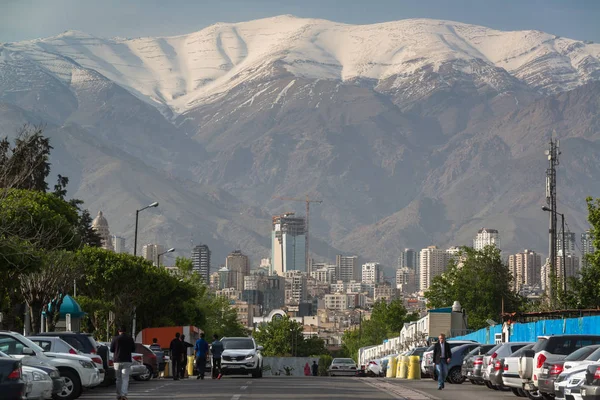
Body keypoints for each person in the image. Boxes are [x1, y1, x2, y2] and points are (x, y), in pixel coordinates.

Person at [110, 326, 136, 400]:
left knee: (118, 378)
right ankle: (123, 394)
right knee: (125, 378)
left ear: (119, 331)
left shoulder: (115, 338)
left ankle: (118, 395)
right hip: (127, 360)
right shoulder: (130, 339)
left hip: (117, 361)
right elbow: (133, 349)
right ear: (125, 331)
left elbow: (112, 349)